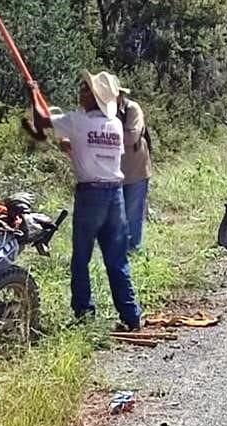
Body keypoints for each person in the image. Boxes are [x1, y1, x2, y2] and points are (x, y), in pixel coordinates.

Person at [36, 71, 143, 330]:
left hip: (91, 196)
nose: (80, 92)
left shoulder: (78, 122)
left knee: (81, 258)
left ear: (94, 97)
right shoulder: (115, 124)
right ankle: (131, 316)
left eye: (85, 89)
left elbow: (40, 120)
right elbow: (99, 155)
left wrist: (33, 91)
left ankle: (84, 315)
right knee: (117, 260)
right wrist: (71, 147)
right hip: (114, 196)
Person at [116, 85, 152, 253]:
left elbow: (131, 136)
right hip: (113, 172)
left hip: (136, 170)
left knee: (133, 214)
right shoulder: (99, 112)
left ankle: (134, 249)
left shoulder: (132, 109)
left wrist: (105, 133)